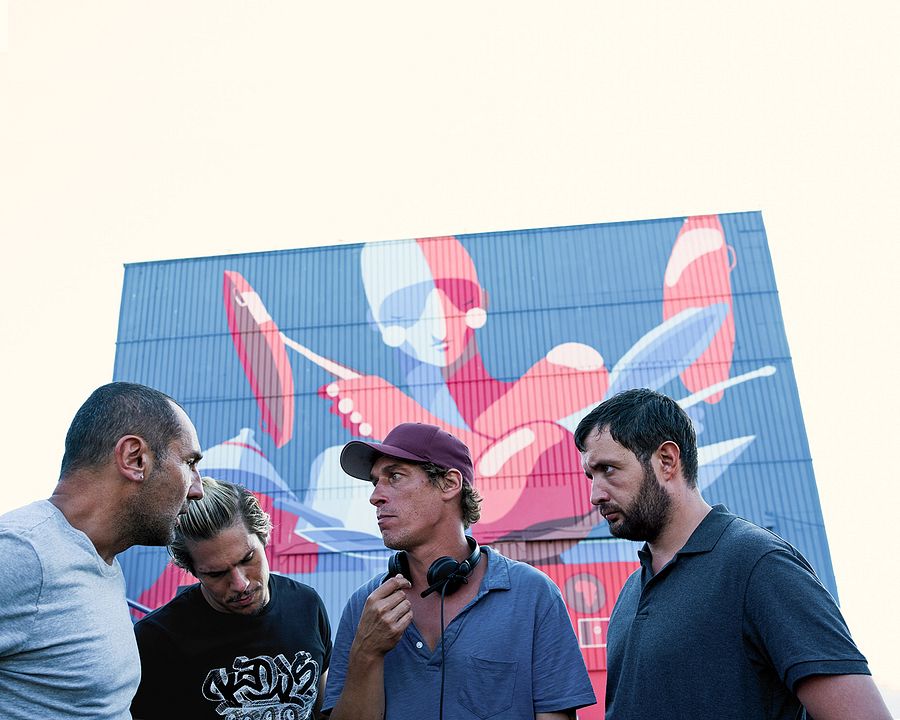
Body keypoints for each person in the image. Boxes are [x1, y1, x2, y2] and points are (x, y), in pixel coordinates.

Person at [573, 388, 891, 720]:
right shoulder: (631, 592)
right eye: (591, 476)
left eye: (608, 469)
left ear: (666, 460)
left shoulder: (759, 564)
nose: (595, 495)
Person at [322, 422, 596, 720]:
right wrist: (367, 653)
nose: (375, 496)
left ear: (450, 484)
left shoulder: (532, 594)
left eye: (395, 476)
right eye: (375, 482)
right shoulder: (365, 605)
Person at [0, 381, 205, 719]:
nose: (197, 488)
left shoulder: (101, 558)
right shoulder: (21, 552)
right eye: (189, 462)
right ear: (135, 458)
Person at [131, 476, 332, 720]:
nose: (240, 584)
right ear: (192, 570)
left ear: (263, 536)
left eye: (247, 559)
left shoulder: (307, 605)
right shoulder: (156, 640)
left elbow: (323, 709)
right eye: (216, 573)